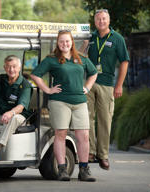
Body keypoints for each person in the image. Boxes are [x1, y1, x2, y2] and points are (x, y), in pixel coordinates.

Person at [30, 30, 98, 182]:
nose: (65, 44)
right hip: (60, 101)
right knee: (60, 134)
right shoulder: (52, 59)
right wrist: (47, 89)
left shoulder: (81, 58)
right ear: (57, 43)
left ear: (72, 42)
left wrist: (87, 87)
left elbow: (93, 73)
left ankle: (84, 170)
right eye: (61, 41)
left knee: (84, 136)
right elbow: (35, 75)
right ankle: (62, 169)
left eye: (67, 41)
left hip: (80, 101)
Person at [87, 9, 130, 170]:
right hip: (89, 83)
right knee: (87, 118)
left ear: (109, 20)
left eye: (104, 19)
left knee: (105, 120)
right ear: (95, 22)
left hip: (107, 84)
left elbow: (124, 62)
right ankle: (90, 151)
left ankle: (103, 155)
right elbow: (81, 56)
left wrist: (119, 85)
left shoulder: (117, 39)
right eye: (98, 19)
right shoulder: (90, 37)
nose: (101, 22)